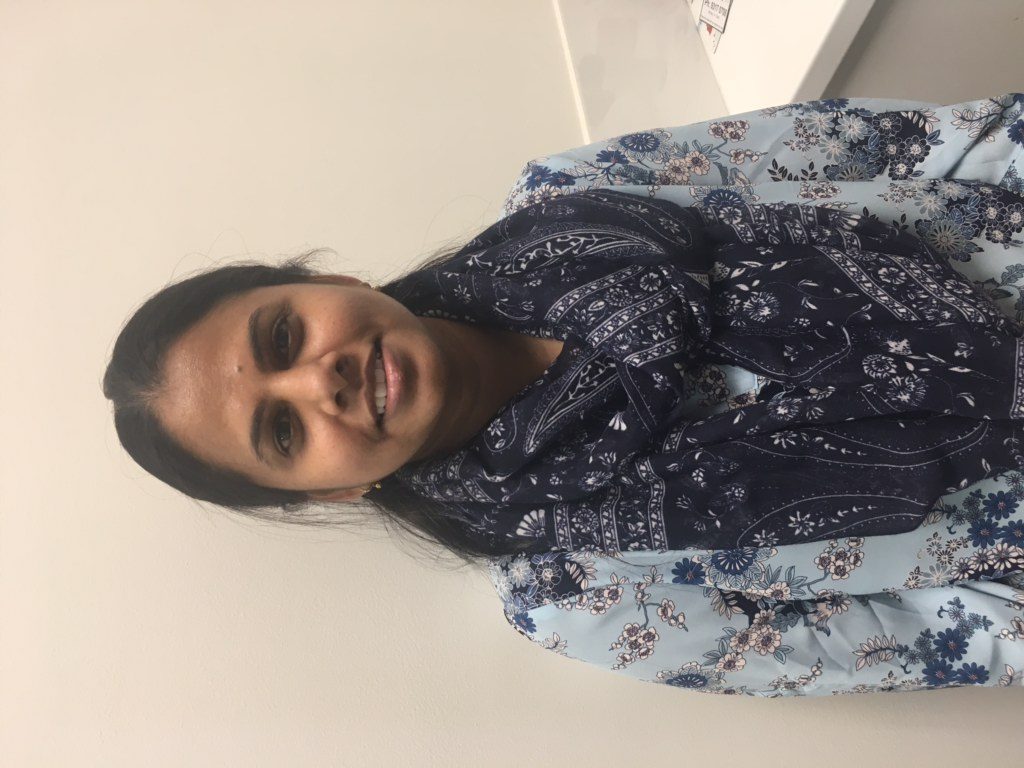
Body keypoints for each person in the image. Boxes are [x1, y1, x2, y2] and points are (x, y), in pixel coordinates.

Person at [106, 93, 1024, 697]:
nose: (320, 379)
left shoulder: (575, 194)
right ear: (336, 490)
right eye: (282, 430)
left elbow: (896, 145)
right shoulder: (573, 593)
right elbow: (928, 639)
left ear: (325, 280)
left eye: (282, 336)